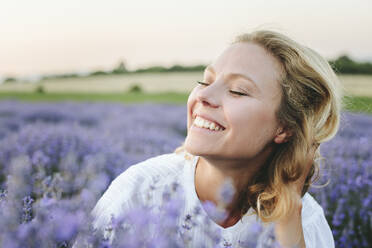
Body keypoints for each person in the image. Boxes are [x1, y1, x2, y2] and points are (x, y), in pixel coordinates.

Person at [75, 29, 342, 247]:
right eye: (205, 81)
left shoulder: (306, 221)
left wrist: (288, 225)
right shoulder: (139, 191)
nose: (203, 96)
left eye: (237, 91)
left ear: (284, 128)